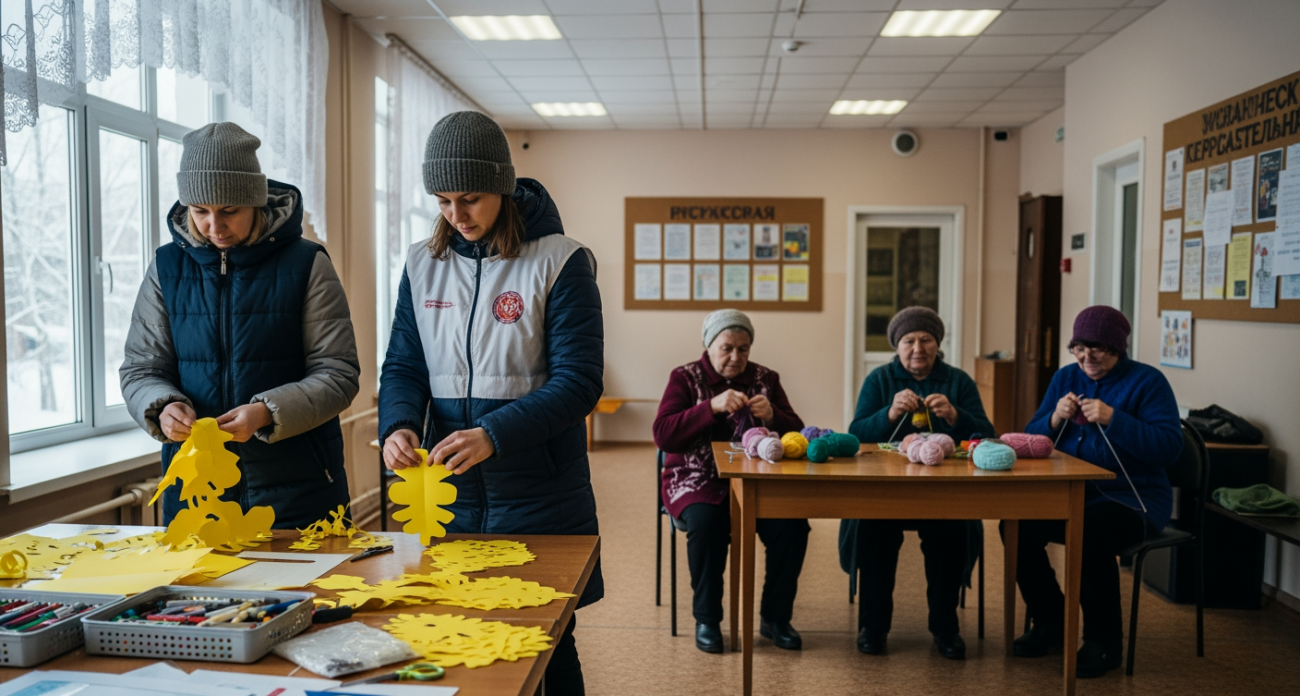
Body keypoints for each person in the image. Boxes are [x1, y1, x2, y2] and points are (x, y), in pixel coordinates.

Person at [378, 111, 603, 695]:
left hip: (540, 492)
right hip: (449, 493)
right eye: (443, 201)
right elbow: (404, 365)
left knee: (547, 637)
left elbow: (579, 383)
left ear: (502, 186)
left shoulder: (561, 260)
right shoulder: (422, 263)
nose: (457, 215)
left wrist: (493, 435)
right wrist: (398, 424)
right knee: (460, 632)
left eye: (471, 199)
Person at [121, 122, 359, 529]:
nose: (214, 227)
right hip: (198, 494)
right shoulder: (166, 267)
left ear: (255, 201)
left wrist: (267, 412)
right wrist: (160, 406)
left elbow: (338, 373)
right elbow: (141, 368)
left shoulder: (307, 263)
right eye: (200, 211)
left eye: (229, 210)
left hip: (300, 493)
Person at [1006, 305, 1180, 678]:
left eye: (1098, 349)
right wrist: (1054, 418)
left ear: (1118, 348)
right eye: (1079, 348)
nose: (1087, 358)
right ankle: (1052, 621)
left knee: (1089, 531)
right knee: (1015, 525)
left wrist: (1116, 419)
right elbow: (1031, 437)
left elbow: (1168, 449)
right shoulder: (1066, 377)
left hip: (1135, 500)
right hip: (1072, 494)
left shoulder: (1147, 382)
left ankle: (1104, 642)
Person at [653, 310, 809, 655]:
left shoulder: (766, 379)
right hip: (695, 478)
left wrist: (774, 416)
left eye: (743, 349)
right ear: (709, 346)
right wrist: (710, 407)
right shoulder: (685, 377)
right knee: (708, 523)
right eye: (727, 348)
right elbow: (663, 435)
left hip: (758, 479)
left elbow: (797, 434)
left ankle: (775, 618)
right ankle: (707, 619)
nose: (735, 357)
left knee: (793, 527)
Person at [844, 306, 993, 660]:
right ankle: (873, 626)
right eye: (908, 341)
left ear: (937, 344)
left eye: (925, 340)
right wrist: (890, 413)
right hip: (886, 489)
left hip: (943, 491)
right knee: (873, 531)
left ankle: (945, 627)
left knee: (950, 533)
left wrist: (955, 415)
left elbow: (987, 434)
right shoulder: (880, 380)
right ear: (896, 346)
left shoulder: (958, 381)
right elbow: (856, 433)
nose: (917, 348)